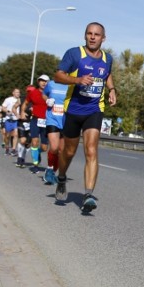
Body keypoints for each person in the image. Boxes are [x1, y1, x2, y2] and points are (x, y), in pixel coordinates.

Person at [52, 22, 116, 212]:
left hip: (94, 108)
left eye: (97, 34)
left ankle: (88, 194)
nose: (93, 37)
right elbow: (57, 76)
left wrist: (112, 89)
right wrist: (77, 80)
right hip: (73, 109)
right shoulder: (74, 54)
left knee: (91, 150)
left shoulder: (108, 58)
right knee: (69, 152)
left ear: (103, 38)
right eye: (89, 33)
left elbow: (107, 74)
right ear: (85, 36)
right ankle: (62, 177)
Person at [42, 77, 69, 185]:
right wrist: (47, 100)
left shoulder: (71, 85)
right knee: (54, 147)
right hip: (52, 119)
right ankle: (49, 169)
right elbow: (44, 94)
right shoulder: (51, 84)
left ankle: (53, 172)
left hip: (66, 120)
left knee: (62, 151)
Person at [21, 75, 50, 173]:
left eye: (46, 81)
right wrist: (22, 112)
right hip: (35, 120)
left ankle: (37, 153)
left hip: (47, 121)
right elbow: (25, 103)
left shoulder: (51, 93)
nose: (44, 83)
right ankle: (35, 164)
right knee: (34, 142)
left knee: (44, 147)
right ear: (38, 82)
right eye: (42, 81)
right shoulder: (33, 93)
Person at [0, 88, 21, 156]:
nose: (18, 93)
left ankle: (14, 149)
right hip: (8, 119)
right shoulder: (8, 99)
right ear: (13, 93)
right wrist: (7, 111)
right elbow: (3, 107)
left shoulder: (20, 100)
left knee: (16, 135)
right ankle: (7, 148)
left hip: (16, 120)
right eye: (16, 92)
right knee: (7, 135)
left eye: (19, 92)